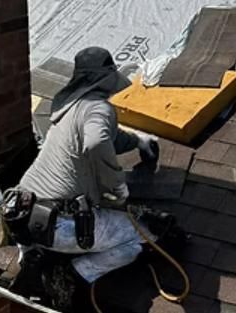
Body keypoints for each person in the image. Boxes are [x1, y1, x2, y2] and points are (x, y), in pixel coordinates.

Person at [17, 46, 159, 306]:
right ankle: (72, 275)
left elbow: (106, 139)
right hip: (60, 225)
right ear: (107, 77)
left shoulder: (69, 109)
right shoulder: (98, 108)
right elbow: (96, 142)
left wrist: (138, 141)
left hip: (22, 217)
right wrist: (117, 189)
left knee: (47, 238)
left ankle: (34, 257)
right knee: (141, 237)